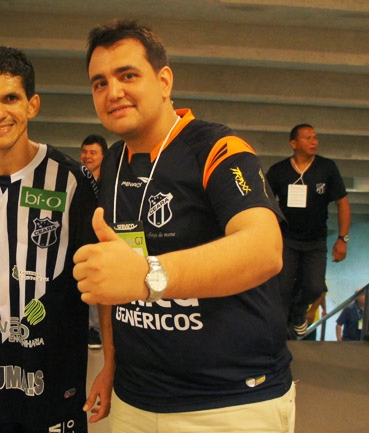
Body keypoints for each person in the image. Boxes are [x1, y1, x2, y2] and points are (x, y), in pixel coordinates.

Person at [73, 20, 294, 432]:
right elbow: (112, 278)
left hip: (230, 402)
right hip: (136, 399)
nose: (113, 92)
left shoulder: (216, 148)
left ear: (164, 81)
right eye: (99, 83)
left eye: (127, 75)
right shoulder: (112, 164)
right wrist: (110, 364)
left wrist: (148, 275)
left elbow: (265, 249)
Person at [0, 46, 112, 432]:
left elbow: (101, 283)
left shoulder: (72, 181)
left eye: (10, 98)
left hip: (54, 389)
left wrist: (111, 363)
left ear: (32, 105)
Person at [266, 124, 351, 338]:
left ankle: (299, 309)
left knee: (315, 287)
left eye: (315, 137)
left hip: (315, 242)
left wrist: (342, 239)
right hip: (286, 240)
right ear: (293, 143)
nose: (314, 141)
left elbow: (342, 203)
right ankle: (279, 337)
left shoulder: (327, 168)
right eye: (308, 137)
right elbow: (264, 205)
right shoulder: (279, 171)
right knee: (281, 289)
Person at [80, 133, 108, 350]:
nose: (87, 156)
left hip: (102, 241)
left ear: (103, 156)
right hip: (80, 239)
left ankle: (96, 330)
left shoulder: (109, 182)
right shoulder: (77, 179)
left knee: (99, 284)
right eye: (84, 151)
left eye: (93, 152)